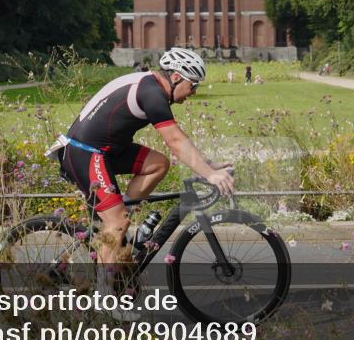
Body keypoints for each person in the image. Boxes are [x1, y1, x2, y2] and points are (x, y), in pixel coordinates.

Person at [46, 48, 234, 300]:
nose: (194, 92)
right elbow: (175, 141)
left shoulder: (151, 86)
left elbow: (178, 142)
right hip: (85, 152)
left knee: (158, 164)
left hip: (106, 150)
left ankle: (120, 222)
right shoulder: (152, 93)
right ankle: (105, 299)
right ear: (176, 77)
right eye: (193, 85)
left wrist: (207, 166)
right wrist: (210, 175)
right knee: (117, 222)